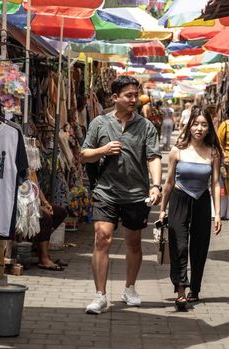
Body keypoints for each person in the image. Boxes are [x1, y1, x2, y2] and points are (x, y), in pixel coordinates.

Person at [81, 76, 162, 314]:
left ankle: (130, 288)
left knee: (134, 242)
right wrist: (103, 150)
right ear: (115, 97)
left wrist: (156, 185)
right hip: (106, 192)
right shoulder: (99, 123)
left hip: (136, 194)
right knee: (102, 238)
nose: (134, 99)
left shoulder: (146, 126)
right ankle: (100, 295)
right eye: (129, 95)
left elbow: (154, 156)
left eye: (136, 95)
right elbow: (84, 155)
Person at [160, 109, 223, 310]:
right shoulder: (177, 151)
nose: (199, 128)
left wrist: (218, 214)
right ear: (189, 126)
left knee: (199, 246)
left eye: (204, 124)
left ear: (209, 128)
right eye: (196, 124)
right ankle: (180, 291)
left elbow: (215, 184)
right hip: (179, 198)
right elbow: (168, 182)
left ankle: (194, 288)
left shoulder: (213, 152)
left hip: (202, 200)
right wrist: (162, 209)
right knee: (179, 244)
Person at [35, 187, 68, 270]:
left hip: (36, 205)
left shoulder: (32, 174)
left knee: (61, 212)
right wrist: (37, 207)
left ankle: (40, 249)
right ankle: (44, 259)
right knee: (46, 217)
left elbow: (37, 187)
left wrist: (45, 203)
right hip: (23, 206)